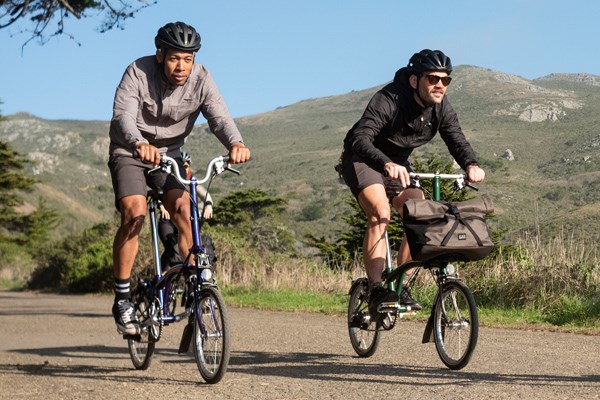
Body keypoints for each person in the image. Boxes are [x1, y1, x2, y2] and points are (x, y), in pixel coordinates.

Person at [107, 22, 250, 335]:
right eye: (174, 58)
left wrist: (235, 144)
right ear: (160, 55)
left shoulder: (202, 79)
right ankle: (122, 299)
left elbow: (219, 117)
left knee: (185, 210)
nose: (181, 66)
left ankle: (196, 287)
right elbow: (123, 116)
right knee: (135, 213)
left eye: (188, 59)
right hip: (130, 151)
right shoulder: (137, 72)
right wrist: (137, 143)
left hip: (169, 154)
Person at [340, 49, 485, 320]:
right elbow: (361, 138)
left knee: (420, 213)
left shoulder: (441, 108)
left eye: (446, 80)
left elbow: (456, 138)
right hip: (363, 158)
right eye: (432, 79)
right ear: (414, 80)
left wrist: (471, 165)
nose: (440, 85)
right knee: (380, 213)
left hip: (397, 164)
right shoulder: (388, 99)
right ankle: (376, 289)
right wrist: (386, 163)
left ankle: (401, 284)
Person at [158, 150, 215, 267]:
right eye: (180, 165)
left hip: (187, 217)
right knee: (171, 247)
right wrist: (162, 208)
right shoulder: (167, 179)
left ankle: (194, 271)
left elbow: (204, 194)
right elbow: (159, 194)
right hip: (168, 219)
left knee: (193, 242)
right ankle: (164, 274)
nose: (183, 168)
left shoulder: (190, 180)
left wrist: (208, 205)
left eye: (185, 166)